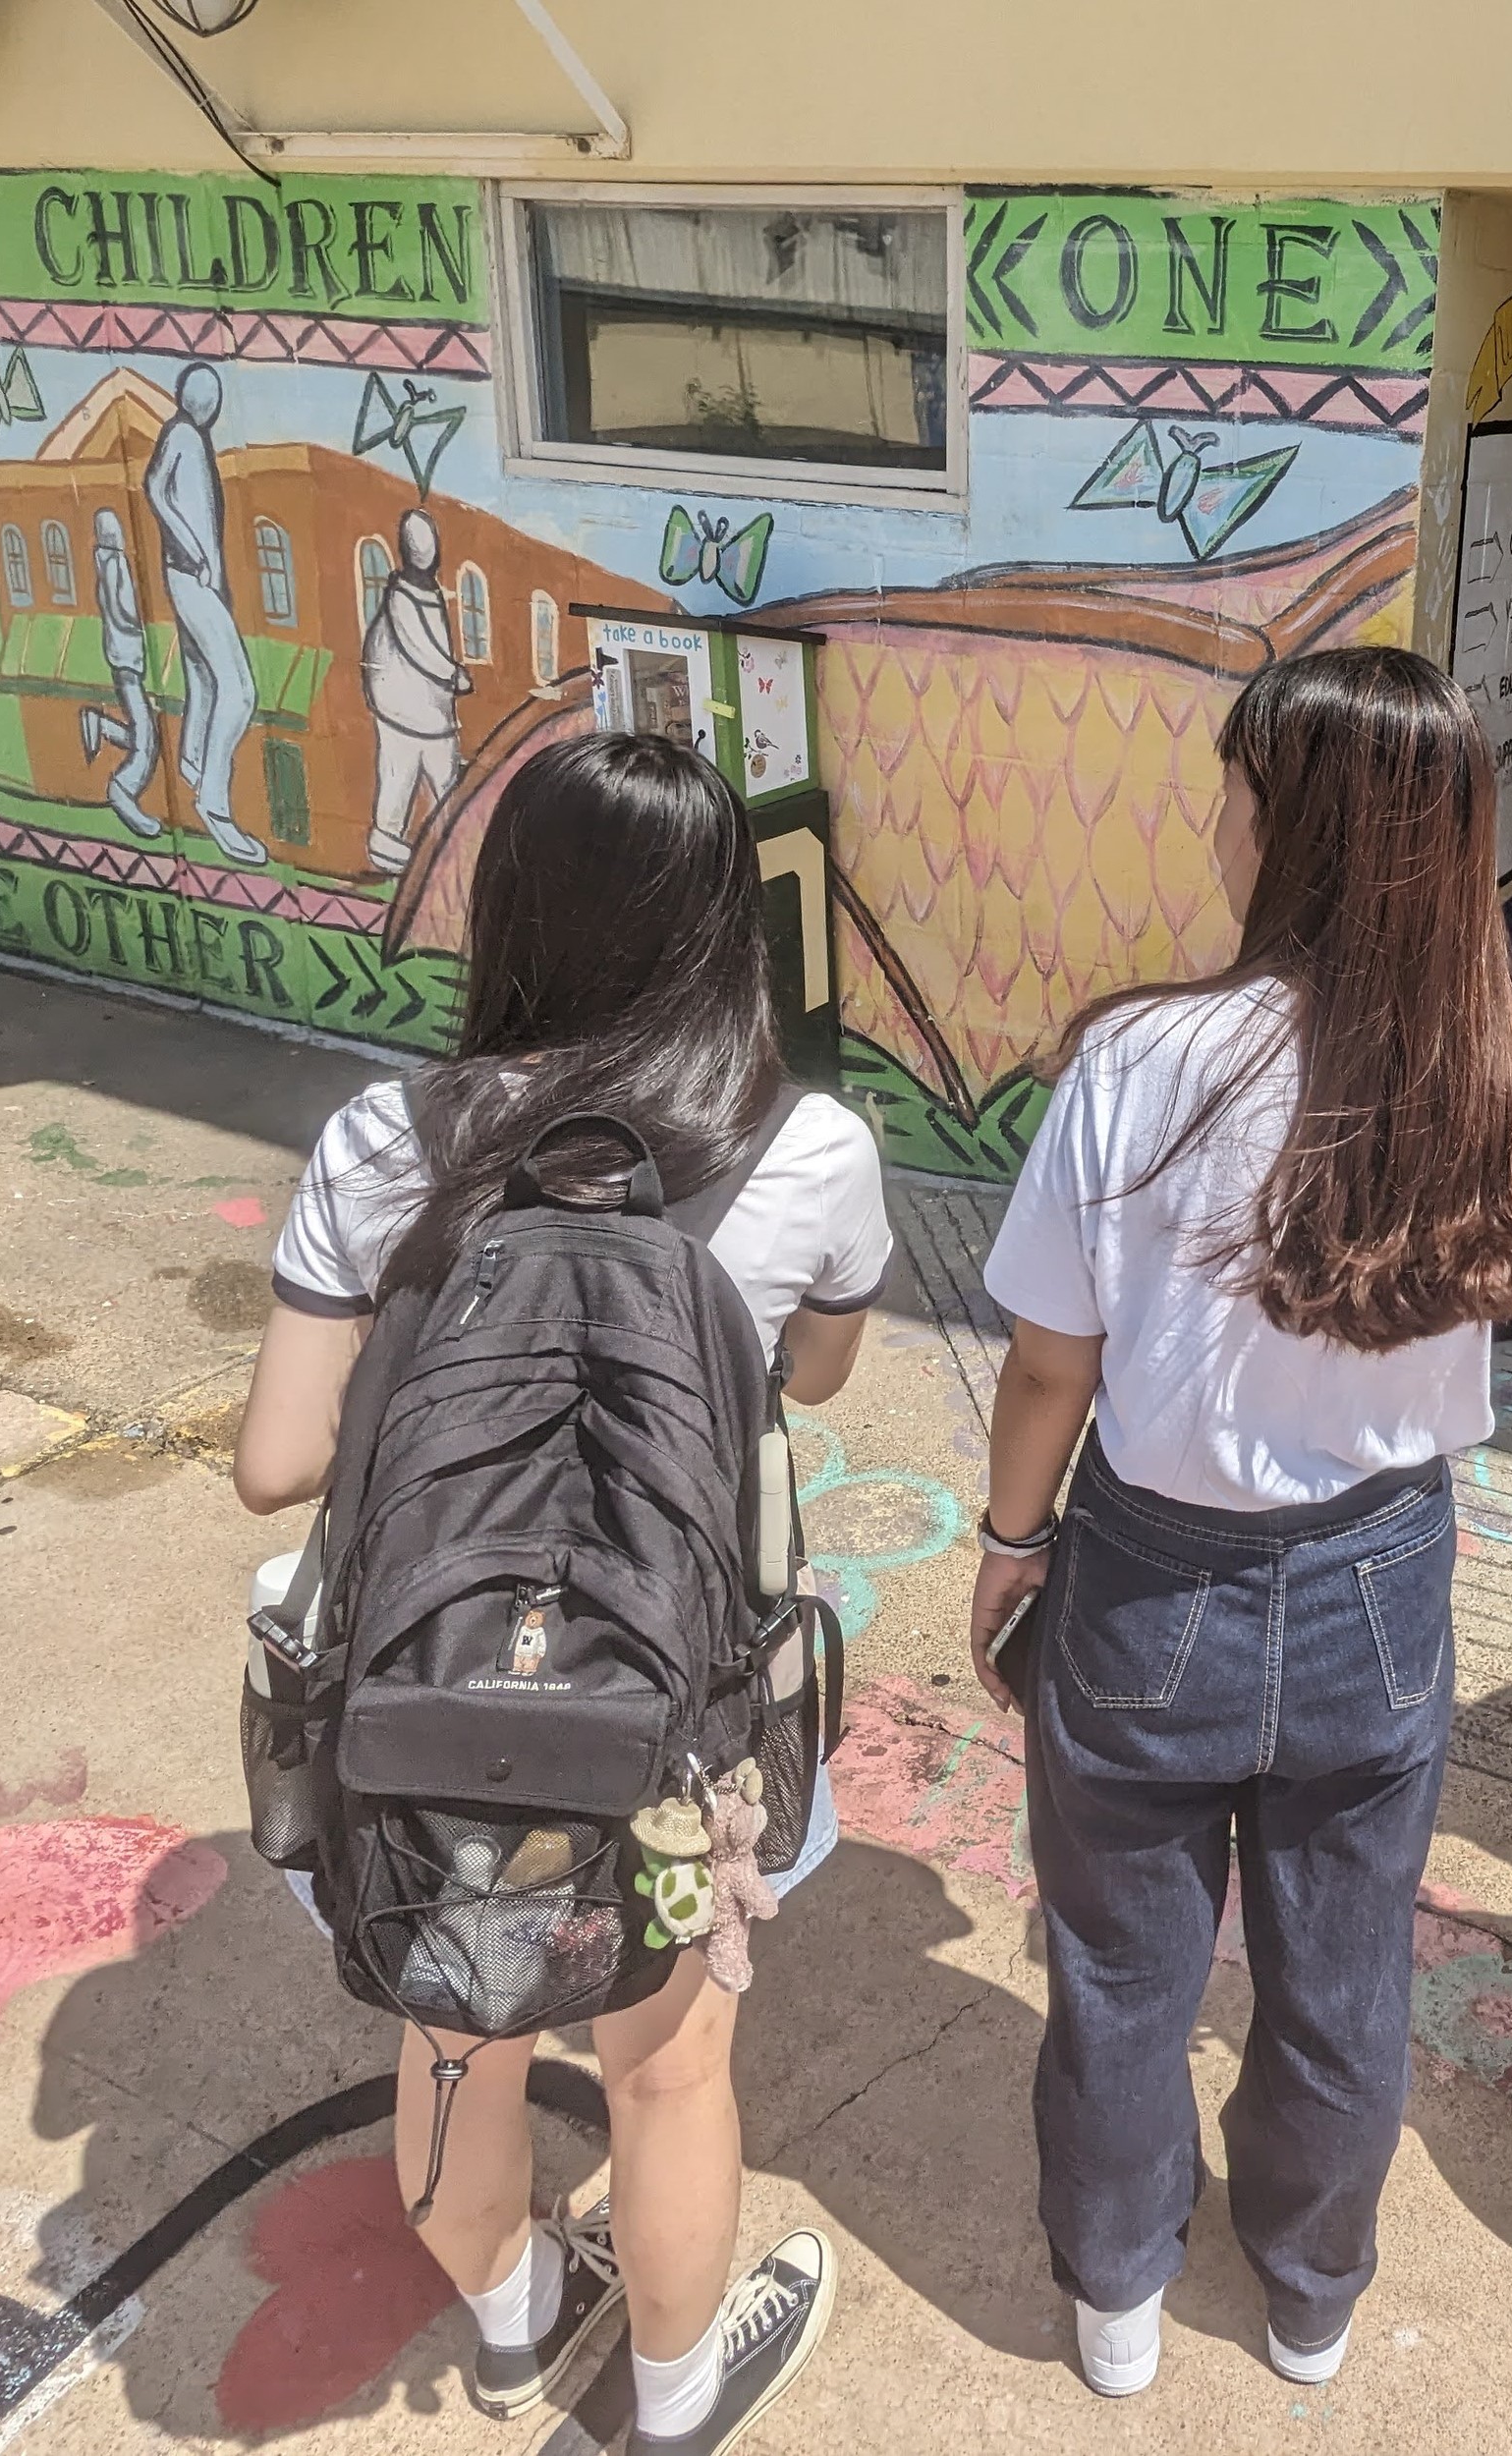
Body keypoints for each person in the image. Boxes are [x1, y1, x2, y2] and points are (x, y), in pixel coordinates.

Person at [236, 732, 895, 2455]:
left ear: (507, 910)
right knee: (666, 2071)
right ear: (720, 927)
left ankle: (522, 2321)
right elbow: (813, 1384)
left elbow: (276, 1459)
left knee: (458, 2041)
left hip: (431, 1701)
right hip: (677, 1710)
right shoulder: (810, 1146)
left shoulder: (389, 1139)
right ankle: (675, 2403)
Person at [965, 645, 1512, 2400]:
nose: (1218, 816)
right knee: (1343, 1965)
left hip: (1143, 1571)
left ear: (1293, 828)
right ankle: (1311, 2292)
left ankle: (1117, 2296)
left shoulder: (1141, 1060)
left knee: (1119, 1965)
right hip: (1383, 1576)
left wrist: (1012, 1547)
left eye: (1240, 787)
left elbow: (1044, 1372)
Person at [146, 360, 269, 866]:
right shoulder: (182, 436)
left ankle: (193, 763)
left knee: (201, 676)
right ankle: (214, 804)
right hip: (190, 575)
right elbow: (155, 490)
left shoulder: (191, 438)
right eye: (207, 392)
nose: (212, 402)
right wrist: (193, 550)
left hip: (197, 579)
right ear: (189, 396)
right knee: (240, 692)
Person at [364, 505, 471, 876]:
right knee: (400, 774)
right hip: (403, 708)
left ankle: (452, 840)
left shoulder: (428, 592)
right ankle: (386, 839)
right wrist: (453, 674)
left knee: (442, 774)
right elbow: (420, 648)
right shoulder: (401, 598)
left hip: (431, 710)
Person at [77, 508, 163, 838]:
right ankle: (123, 788)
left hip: (123, 656)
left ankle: (101, 725)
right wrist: (142, 623)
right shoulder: (116, 564)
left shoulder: (106, 561)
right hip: (129, 656)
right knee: (147, 741)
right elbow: (123, 608)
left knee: (146, 734)